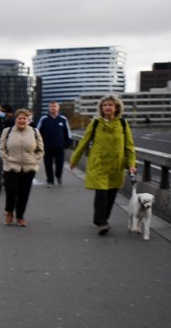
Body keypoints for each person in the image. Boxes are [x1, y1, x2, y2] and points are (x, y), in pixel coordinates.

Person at [69, 94, 137, 235]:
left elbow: (129, 146)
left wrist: (131, 164)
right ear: (101, 108)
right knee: (102, 193)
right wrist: (74, 160)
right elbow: (83, 143)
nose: (107, 107)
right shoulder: (95, 124)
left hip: (116, 166)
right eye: (104, 105)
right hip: (99, 165)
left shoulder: (123, 124)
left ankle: (103, 219)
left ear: (116, 107)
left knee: (111, 194)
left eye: (110, 105)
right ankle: (101, 221)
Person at [0, 108, 44, 227]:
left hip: (29, 167)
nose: (22, 120)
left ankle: (20, 216)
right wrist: (6, 160)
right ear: (15, 120)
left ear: (28, 120)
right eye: (20, 118)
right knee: (11, 190)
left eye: (24, 118)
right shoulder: (7, 131)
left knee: (24, 193)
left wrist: (35, 160)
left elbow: (40, 149)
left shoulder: (34, 131)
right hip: (11, 166)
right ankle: (9, 212)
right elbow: (2, 148)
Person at [34, 101, 72, 186]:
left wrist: (68, 142)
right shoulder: (44, 119)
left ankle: (58, 175)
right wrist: (38, 143)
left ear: (58, 108)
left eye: (54, 106)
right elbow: (37, 132)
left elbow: (68, 132)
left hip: (59, 147)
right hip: (47, 147)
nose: (53, 108)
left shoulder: (63, 119)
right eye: (51, 106)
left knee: (60, 163)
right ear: (49, 108)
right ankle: (50, 181)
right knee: (48, 164)